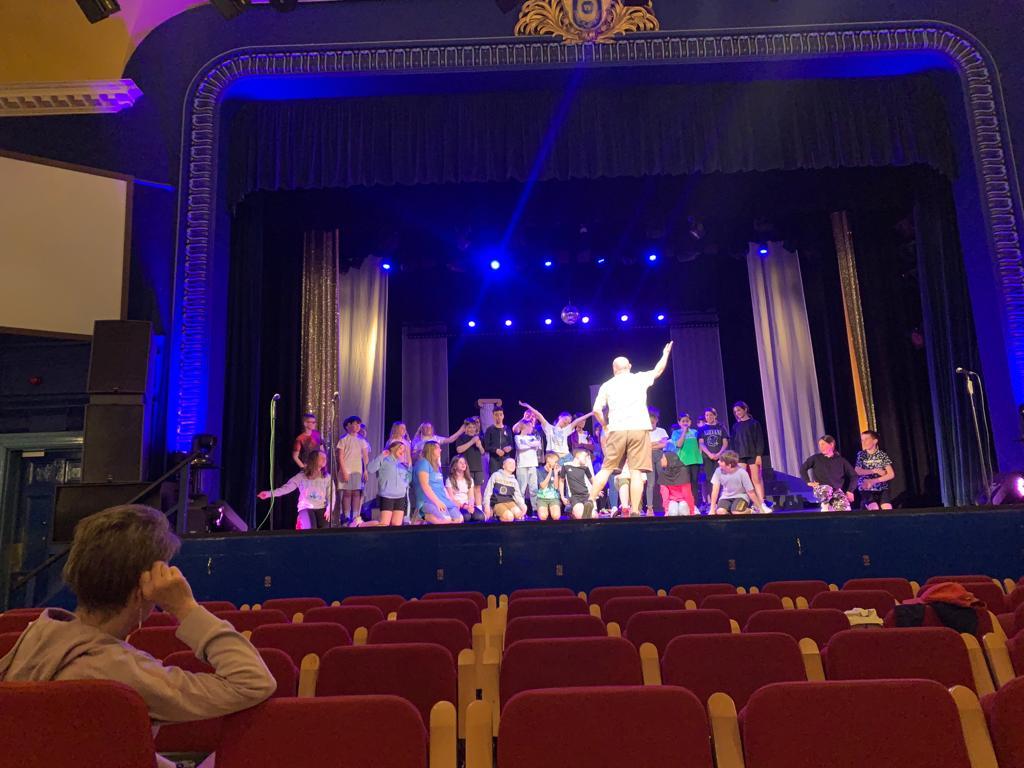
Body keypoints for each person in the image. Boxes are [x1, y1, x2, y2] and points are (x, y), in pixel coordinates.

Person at [0, 505, 276, 768]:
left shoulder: (36, 637)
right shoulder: (120, 672)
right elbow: (252, 682)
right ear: (142, 591)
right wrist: (185, 608)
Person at [589, 342, 674, 514]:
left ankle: (589, 501)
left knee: (606, 469)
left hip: (617, 429)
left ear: (614, 369)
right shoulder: (639, 378)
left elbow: (596, 410)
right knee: (636, 471)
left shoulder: (607, 385)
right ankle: (635, 511)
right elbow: (658, 370)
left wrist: (605, 426)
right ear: (629, 366)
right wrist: (665, 354)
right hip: (639, 429)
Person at [258, 449, 332, 530]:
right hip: (306, 507)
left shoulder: (327, 477)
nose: (324, 460)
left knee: (325, 529)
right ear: (314, 459)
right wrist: (269, 494)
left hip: (321, 507)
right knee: (311, 528)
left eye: (325, 458)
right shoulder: (302, 476)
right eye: (321, 458)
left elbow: (331, 495)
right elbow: (286, 488)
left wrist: (329, 509)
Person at [730, 402, 771, 513]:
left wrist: (759, 455)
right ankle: (746, 503)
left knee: (756, 479)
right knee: (742, 480)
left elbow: (759, 440)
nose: (737, 413)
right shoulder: (735, 426)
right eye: (735, 411)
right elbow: (733, 442)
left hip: (753, 455)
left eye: (739, 410)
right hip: (740, 456)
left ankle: (762, 503)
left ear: (745, 409)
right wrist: (734, 457)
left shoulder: (754, 423)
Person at [519, 401, 591, 463]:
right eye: (565, 419)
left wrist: (591, 413)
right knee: (556, 471)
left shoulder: (565, 430)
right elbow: (539, 415)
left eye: (569, 422)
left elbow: (577, 420)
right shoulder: (549, 428)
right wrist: (528, 406)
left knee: (574, 466)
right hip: (553, 455)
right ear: (560, 417)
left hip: (565, 455)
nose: (566, 422)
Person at [800, 435, 857, 512]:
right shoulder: (816, 458)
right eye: (819, 445)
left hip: (836, 491)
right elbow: (803, 469)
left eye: (823, 444)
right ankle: (825, 505)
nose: (821, 447)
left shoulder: (841, 461)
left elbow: (854, 476)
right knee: (827, 489)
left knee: (845, 509)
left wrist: (850, 491)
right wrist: (808, 482)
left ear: (831, 444)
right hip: (821, 489)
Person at [412, 441, 463, 525]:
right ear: (431, 449)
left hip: (443, 500)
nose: (440, 450)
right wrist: (437, 502)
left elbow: (442, 486)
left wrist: (451, 500)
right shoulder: (423, 463)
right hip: (428, 501)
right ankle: (421, 515)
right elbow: (425, 485)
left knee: (459, 519)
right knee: (446, 520)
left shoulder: (437, 466)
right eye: (438, 448)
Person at [367, 439, 412, 526]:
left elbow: (408, 479)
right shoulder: (384, 460)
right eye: (400, 448)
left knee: (397, 524)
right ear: (393, 448)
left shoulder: (402, 464)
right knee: (384, 524)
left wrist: (404, 485)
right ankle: (360, 525)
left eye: (404, 450)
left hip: (400, 497)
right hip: (387, 496)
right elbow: (370, 469)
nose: (402, 451)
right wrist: (381, 456)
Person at [709, 450, 769, 515]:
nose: (718, 462)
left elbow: (750, 492)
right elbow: (715, 490)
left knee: (736, 512)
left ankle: (751, 511)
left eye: (721, 461)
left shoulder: (742, 473)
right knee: (720, 512)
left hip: (741, 497)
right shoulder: (718, 471)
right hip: (725, 497)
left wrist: (760, 508)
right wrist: (712, 509)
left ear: (729, 465)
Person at [336, 415, 370, 527]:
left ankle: (355, 516)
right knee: (347, 493)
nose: (357, 426)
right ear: (348, 426)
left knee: (356, 493)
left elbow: (365, 458)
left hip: (357, 471)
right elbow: (340, 457)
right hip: (346, 470)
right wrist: (344, 471)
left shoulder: (362, 441)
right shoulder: (343, 440)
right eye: (355, 424)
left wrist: (365, 471)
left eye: (358, 424)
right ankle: (346, 516)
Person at [855, 430, 896, 510]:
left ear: (875, 441)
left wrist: (873, 481)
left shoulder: (881, 455)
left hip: (881, 488)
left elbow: (891, 474)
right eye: (862, 440)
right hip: (866, 488)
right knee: (874, 508)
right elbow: (857, 471)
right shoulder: (861, 455)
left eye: (866, 439)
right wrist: (875, 470)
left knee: (887, 508)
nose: (864, 442)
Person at [698, 407, 728, 510]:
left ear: (715, 415)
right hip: (707, 458)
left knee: (721, 479)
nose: (708, 417)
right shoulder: (702, 428)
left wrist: (719, 454)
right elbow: (701, 443)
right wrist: (709, 454)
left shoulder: (721, 427)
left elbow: (725, 443)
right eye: (706, 415)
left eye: (711, 415)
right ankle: (712, 503)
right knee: (709, 480)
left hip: (720, 458)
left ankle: (721, 502)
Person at [671, 413, 703, 510]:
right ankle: (686, 504)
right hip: (683, 462)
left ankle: (694, 504)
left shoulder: (695, 432)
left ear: (690, 422)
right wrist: (684, 432)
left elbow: (700, 444)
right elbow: (679, 445)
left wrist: (699, 454)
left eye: (687, 421)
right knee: (685, 484)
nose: (685, 423)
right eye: (683, 421)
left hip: (695, 461)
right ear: (679, 422)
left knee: (695, 483)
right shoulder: (676, 433)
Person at [453, 416, 486, 507]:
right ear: (465, 428)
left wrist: (479, 446)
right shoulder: (461, 437)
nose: (471, 429)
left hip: (478, 468)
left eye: (473, 427)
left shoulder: (479, 438)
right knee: (468, 489)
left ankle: (479, 509)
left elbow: (483, 452)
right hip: (467, 468)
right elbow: (459, 450)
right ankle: (469, 508)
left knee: (478, 489)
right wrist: (471, 442)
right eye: (469, 427)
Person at [483, 456, 528, 523]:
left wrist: (523, 506)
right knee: (509, 517)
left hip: (510, 502)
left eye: (514, 464)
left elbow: (518, 496)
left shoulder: (514, 481)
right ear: (503, 466)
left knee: (519, 516)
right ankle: (497, 517)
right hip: (498, 503)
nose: (512, 465)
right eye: (510, 463)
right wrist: (486, 506)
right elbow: (488, 492)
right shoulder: (496, 475)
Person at [513, 415, 543, 511]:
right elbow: (520, 447)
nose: (532, 428)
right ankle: (521, 509)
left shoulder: (533, 437)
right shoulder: (517, 437)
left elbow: (538, 444)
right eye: (530, 426)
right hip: (522, 465)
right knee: (521, 489)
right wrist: (531, 445)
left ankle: (535, 509)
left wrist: (526, 444)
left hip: (532, 465)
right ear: (525, 426)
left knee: (534, 488)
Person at [645, 407, 670, 515]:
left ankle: (667, 506)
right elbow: (644, 446)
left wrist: (651, 444)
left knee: (663, 481)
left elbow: (664, 444)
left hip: (659, 456)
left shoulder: (661, 431)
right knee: (650, 483)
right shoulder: (644, 432)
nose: (651, 424)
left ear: (656, 421)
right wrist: (656, 443)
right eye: (649, 422)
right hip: (648, 457)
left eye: (653, 422)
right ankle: (650, 508)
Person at [562, 446, 596, 519]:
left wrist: (597, 490)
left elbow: (593, 481)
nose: (586, 459)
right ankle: (572, 511)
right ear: (577, 455)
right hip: (574, 497)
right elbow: (561, 481)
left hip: (586, 495)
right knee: (580, 516)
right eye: (585, 457)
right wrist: (562, 496)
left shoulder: (585, 467)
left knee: (593, 516)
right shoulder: (566, 466)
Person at [482, 405, 516, 477]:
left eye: (500, 414)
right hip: (494, 460)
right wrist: (496, 450)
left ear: (503, 416)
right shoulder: (489, 430)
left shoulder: (507, 429)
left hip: (506, 458)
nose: (499, 417)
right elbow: (486, 446)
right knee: (495, 478)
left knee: (506, 478)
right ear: (493, 416)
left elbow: (512, 445)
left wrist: (509, 448)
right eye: (496, 415)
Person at [659, 450, 694, 516]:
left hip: (684, 500)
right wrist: (666, 510)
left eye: (663, 458)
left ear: (669, 460)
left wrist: (692, 510)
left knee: (683, 507)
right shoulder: (663, 474)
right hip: (672, 501)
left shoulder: (683, 471)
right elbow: (665, 494)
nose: (661, 460)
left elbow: (687, 493)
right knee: (673, 511)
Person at [446, 454, 480, 522]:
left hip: (467, 505)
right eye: (460, 462)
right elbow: (451, 499)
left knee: (479, 517)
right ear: (455, 466)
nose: (463, 464)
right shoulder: (449, 480)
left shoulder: (469, 480)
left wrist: (470, 506)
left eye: (464, 463)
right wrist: (464, 506)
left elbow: (471, 496)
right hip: (457, 506)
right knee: (466, 516)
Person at [535, 452, 563, 521]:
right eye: (555, 461)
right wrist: (550, 472)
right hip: (542, 498)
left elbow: (556, 487)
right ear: (549, 460)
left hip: (554, 498)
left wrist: (555, 474)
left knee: (556, 516)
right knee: (543, 516)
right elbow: (543, 486)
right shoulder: (539, 470)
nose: (557, 463)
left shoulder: (556, 471)